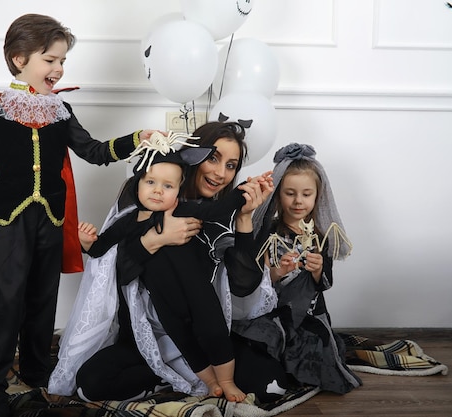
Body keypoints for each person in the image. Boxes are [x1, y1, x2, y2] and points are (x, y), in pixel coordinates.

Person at [0, 13, 156, 417]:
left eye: (63, 61)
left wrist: (137, 139)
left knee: (43, 299)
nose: (59, 69)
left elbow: (93, 152)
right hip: (9, 219)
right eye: (50, 60)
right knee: (6, 302)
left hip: (52, 219)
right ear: (19, 58)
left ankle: (35, 370)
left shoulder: (61, 109)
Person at [49, 122, 287, 403]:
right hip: (147, 332)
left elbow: (243, 286)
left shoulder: (218, 213)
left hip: (206, 330)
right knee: (91, 383)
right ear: (192, 158)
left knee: (272, 385)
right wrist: (154, 240)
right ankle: (168, 377)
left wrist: (245, 217)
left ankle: (207, 379)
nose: (220, 173)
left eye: (231, 165)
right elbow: (115, 274)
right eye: (213, 158)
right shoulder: (142, 201)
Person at [228, 142, 362, 394]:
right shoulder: (268, 233)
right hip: (273, 311)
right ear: (279, 193)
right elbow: (255, 283)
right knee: (259, 339)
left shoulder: (321, 236)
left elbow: (325, 283)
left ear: (317, 196)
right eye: (290, 193)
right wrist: (277, 272)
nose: (298, 201)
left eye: (306, 194)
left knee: (319, 348)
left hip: (308, 316)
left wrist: (317, 270)